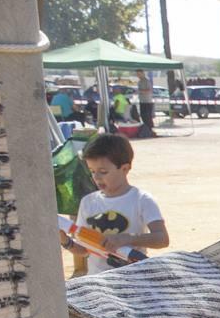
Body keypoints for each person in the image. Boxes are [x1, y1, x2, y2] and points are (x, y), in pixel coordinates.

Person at [66, 132, 169, 276]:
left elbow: (162, 239)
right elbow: (83, 249)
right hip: (99, 282)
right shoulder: (88, 202)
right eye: (92, 171)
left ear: (125, 168)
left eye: (103, 172)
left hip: (133, 280)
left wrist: (128, 239)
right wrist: (65, 241)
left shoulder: (142, 200)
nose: (96, 177)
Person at [136, 70, 157, 136]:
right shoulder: (139, 82)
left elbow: (149, 90)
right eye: (137, 74)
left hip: (147, 102)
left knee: (148, 117)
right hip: (142, 101)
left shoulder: (147, 81)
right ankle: (147, 130)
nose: (138, 75)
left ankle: (151, 130)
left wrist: (141, 91)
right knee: (143, 116)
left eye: (139, 74)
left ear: (143, 74)